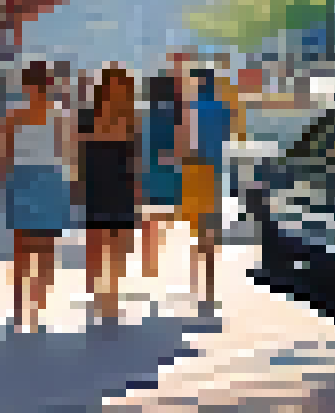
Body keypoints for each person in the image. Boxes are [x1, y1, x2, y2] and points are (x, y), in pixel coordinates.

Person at [0, 61, 72, 333]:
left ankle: (19, 309)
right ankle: (37, 306)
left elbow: (3, 155)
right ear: (49, 84)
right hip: (50, 180)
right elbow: (66, 154)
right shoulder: (59, 115)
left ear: (26, 85)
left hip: (23, 179)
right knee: (47, 248)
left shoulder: (14, 116)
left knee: (22, 248)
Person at [78, 66, 140, 323]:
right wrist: (77, 181)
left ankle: (111, 295)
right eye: (113, 86)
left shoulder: (130, 117)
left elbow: (135, 155)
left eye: (121, 87)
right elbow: (79, 151)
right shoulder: (87, 115)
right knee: (96, 243)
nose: (116, 91)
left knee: (117, 246)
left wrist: (138, 189)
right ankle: (97, 292)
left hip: (121, 183)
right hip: (96, 182)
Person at [182, 70, 236, 310]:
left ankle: (195, 286)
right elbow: (227, 137)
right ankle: (209, 287)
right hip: (215, 173)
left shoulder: (190, 108)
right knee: (211, 233)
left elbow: (184, 142)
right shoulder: (223, 110)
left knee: (196, 232)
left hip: (194, 172)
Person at [139, 73, 184, 282]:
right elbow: (180, 147)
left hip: (150, 172)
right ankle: (155, 260)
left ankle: (149, 263)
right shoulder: (175, 117)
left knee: (150, 220)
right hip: (169, 172)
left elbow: (140, 146)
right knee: (164, 217)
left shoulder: (147, 117)